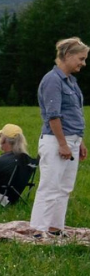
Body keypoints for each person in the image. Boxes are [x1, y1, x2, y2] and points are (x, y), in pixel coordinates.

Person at [30, 37, 87, 234]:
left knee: (64, 188)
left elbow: (74, 114)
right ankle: (38, 230)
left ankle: (55, 228)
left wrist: (80, 142)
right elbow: (54, 116)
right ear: (67, 56)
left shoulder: (71, 81)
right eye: (81, 58)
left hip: (71, 140)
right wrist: (63, 144)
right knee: (50, 186)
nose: (83, 63)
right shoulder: (52, 80)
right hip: (56, 141)